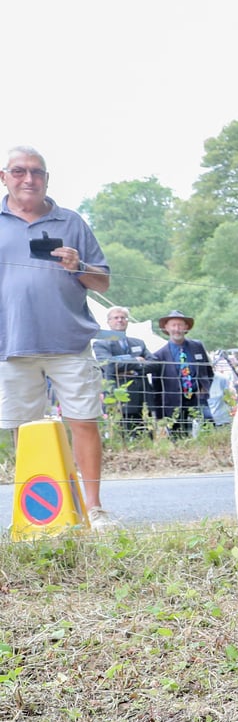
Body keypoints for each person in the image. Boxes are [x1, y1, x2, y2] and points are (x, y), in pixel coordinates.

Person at [0, 146, 116, 524]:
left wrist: (77, 265)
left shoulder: (71, 222)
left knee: (84, 421)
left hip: (68, 341)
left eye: (36, 172)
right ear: (4, 177)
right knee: (26, 430)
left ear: (47, 179)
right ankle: (38, 512)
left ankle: (94, 508)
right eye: (19, 171)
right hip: (11, 341)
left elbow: (101, 281)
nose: (28, 179)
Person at [148, 310, 213, 435]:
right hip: (174, 402)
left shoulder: (197, 347)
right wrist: (159, 414)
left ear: (186, 327)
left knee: (208, 425)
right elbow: (156, 387)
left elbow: (209, 371)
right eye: (173, 325)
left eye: (180, 325)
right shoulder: (159, 355)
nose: (177, 329)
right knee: (179, 435)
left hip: (198, 398)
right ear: (166, 328)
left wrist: (205, 387)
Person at [93, 306, 153, 435]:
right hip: (117, 398)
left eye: (123, 317)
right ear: (108, 321)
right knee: (121, 434)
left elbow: (154, 363)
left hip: (142, 397)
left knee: (145, 435)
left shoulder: (139, 343)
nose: (120, 320)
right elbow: (108, 365)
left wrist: (123, 367)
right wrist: (137, 361)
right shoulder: (101, 344)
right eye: (116, 317)